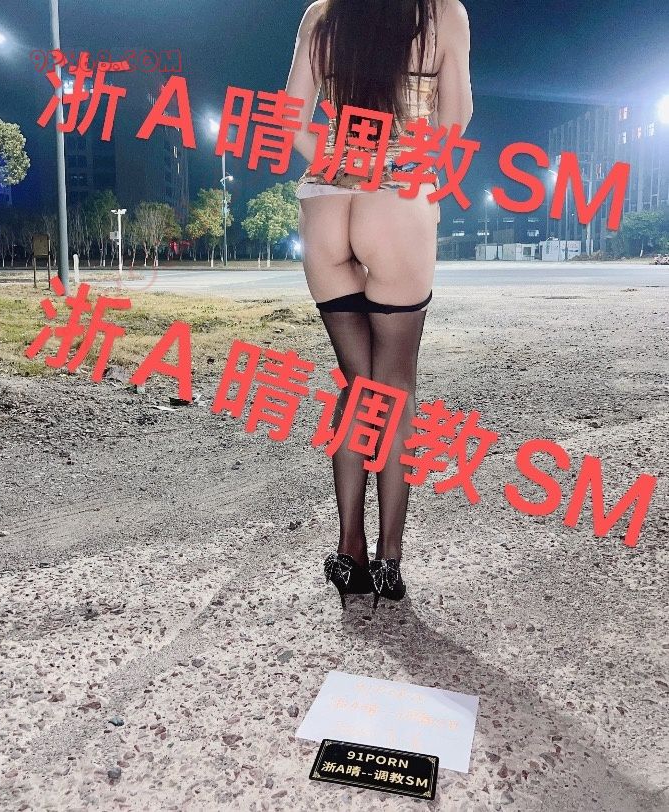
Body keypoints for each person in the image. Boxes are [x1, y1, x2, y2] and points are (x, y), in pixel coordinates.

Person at [285, 0, 473, 610]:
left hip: (325, 203)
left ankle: (351, 552)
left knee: (358, 387)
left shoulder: (323, 14)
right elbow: (457, 117)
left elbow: (291, 119)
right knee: (394, 389)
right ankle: (390, 561)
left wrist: (339, 161)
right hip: (397, 200)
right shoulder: (442, 13)